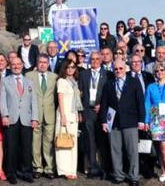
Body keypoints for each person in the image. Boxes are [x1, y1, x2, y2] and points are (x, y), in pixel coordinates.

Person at [101, 61, 146, 186]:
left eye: (121, 68)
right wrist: (104, 122)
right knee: (115, 150)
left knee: (132, 151)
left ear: (125, 69)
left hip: (130, 122)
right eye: (116, 69)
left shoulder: (133, 82)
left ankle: (134, 177)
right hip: (113, 122)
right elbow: (104, 104)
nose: (118, 70)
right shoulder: (109, 84)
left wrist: (141, 120)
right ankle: (118, 175)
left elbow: (140, 102)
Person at [0, 57, 40, 184]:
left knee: (27, 147)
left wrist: (35, 118)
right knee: (11, 148)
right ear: (10, 66)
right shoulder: (5, 81)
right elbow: (2, 100)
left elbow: (34, 101)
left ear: (22, 65)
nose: (16, 66)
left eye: (18, 64)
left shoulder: (29, 82)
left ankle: (26, 172)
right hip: (11, 119)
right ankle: (11, 173)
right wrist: (4, 115)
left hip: (27, 119)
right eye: (14, 64)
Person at [78, 51, 108, 179]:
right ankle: (93, 167)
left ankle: (104, 168)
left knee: (102, 141)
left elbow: (109, 94)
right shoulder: (84, 74)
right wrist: (80, 111)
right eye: (92, 59)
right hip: (88, 111)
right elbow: (79, 94)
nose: (94, 61)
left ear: (101, 60)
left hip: (102, 112)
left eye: (97, 59)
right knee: (90, 141)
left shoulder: (107, 74)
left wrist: (102, 105)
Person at [25, 54, 56, 178]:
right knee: (35, 142)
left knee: (49, 142)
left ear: (48, 64)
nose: (42, 64)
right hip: (35, 114)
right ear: (37, 63)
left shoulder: (55, 77)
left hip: (50, 114)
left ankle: (49, 168)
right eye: (40, 62)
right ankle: (37, 167)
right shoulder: (28, 76)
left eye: (45, 62)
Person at [54, 60, 81, 180]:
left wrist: (78, 114)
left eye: (73, 67)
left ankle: (72, 169)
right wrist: (63, 116)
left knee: (72, 143)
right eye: (68, 67)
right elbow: (60, 99)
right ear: (64, 68)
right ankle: (64, 170)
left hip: (73, 115)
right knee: (63, 142)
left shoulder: (75, 82)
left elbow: (76, 101)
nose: (70, 69)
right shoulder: (61, 81)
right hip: (64, 114)